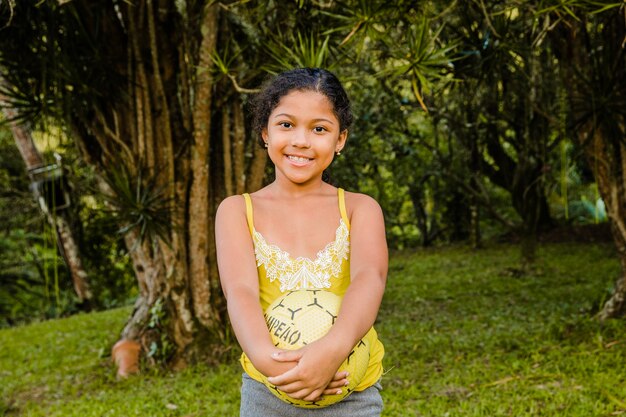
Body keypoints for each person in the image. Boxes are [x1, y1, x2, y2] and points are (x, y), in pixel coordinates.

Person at [215, 68, 387, 417]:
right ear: (265, 132)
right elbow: (241, 292)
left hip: (349, 388)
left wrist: (332, 352)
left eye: (319, 129)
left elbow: (370, 279)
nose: (301, 141)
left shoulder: (359, 208)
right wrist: (271, 365)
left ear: (340, 139)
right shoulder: (236, 211)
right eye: (286, 125)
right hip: (269, 391)